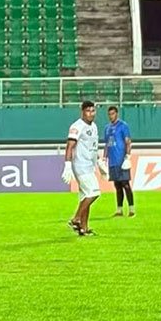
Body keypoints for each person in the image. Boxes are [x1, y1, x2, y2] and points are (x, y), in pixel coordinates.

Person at [62, 100, 104, 236]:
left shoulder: (94, 127)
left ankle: (83, 228)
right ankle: (76, 218)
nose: (91, 114)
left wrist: (99, 162)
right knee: (94, 193)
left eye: (93, 111)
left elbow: (93, 147)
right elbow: (70, 146)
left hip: (89, 165)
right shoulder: (77, 126)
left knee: (85, 196)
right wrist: (67, 165)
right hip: (81, 165)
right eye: (88, 111)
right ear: (82, 112)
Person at [103, 106, 135, 217]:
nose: (111, 116)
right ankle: (119, 210)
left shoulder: (123, 126)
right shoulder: (107, 128)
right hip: (112, 161)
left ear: (117, 114)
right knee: (117, 185)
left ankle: (131, 209)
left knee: (125, 184)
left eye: (113, 113)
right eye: (109, 114)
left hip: (121, 160)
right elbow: (107, 144)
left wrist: (127, 156)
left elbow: (128, 142)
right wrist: (104, 158)